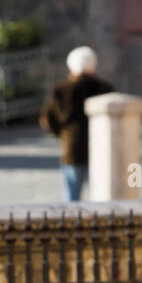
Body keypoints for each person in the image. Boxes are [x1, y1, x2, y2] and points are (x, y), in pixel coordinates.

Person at [39, 46, 115, 202]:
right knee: (102, 199)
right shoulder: (105, 88)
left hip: (73, 148)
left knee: (72, 200)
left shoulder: (62, 89)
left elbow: (48, 119)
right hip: (101, 150)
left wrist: (61, 134)